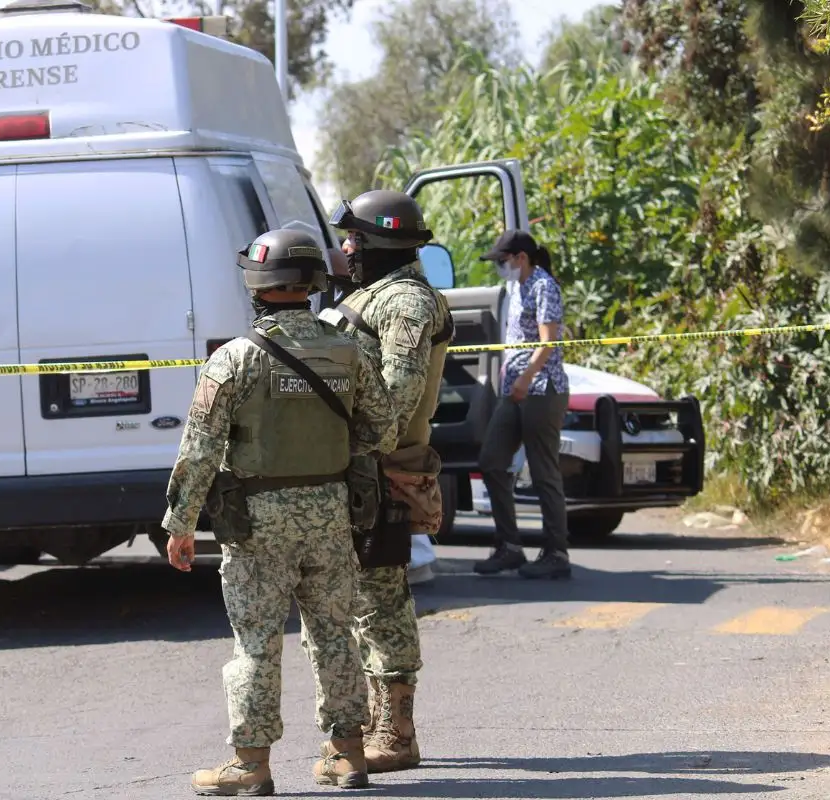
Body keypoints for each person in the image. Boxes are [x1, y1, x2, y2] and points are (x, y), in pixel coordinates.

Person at [161, 227, 398, 796]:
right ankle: (348, 756)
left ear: (256, 285)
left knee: (255, 641)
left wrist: (180, 525)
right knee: (336, 633)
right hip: (331, 514)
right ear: (316, 282)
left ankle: (251, 766)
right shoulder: (352, 352)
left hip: (257, 523)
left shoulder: (234, 361)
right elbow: (382, 429)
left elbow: (198, 450)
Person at [327, 189, 453, 774]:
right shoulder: (375, 297)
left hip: (376, 471)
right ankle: (379, 724)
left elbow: (395, 404)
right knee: (360, 603)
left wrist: (349, 455)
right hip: (356, 470)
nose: (346, 248)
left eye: (353, 238)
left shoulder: (404, 302)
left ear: (378, 242)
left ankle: (396, 734)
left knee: (380, 601)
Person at [473, 229, 572, 580]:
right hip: (514, 392)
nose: (501, 267)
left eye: (503, 260)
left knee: (544, 471)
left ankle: (556, 552)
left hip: (541, 390)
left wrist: (526, 378)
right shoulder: (516, 287)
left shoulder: (544, 286)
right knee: (492, 461)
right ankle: (510, 546)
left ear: (521, 258)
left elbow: (548, 341)